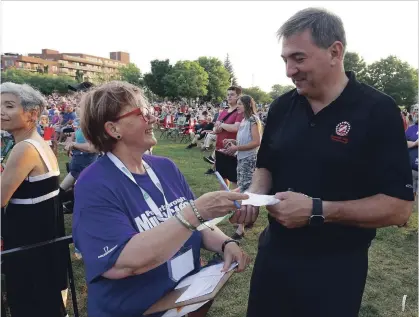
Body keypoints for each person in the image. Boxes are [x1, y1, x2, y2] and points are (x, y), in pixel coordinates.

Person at [230, 8, 414, 317]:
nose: (290, 70)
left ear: (335, 51)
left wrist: (318, 210)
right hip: (274, 256)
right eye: (285, 60)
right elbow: (266, 165)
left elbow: (399, 208)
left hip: (336, 268)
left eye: (299, 58)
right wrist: (253, 195)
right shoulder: (282, 107)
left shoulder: (377, 110)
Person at [73, 81, 250, 317]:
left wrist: (225, 243)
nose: (153, 118)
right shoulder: (94, 183)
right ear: (113, 129)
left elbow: (198, 224)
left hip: (183, 304)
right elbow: (124, 263)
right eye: (143, 113)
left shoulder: (165, 167)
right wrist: (194, 212)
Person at [1, 82, 68, 317]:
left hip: (28, 244)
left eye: (9, 106)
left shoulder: (25, 148)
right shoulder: (38, 143)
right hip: (42, 239)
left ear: (32, 113)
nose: (1, 111)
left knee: (30, 304)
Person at [223, 95, 262, 239]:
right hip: (242, 158)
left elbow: (256, 142)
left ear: (247, 105)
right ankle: (248, 219)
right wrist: (233, 140)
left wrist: (236, 147)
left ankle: (241, 227)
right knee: (244, 188)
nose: (237, 106)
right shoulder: (244, 120)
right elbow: (246, 139)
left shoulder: (253, 119)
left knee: (245, 191)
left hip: (249, 159)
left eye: (239, 104)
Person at [213, 86, 244, 189]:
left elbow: (236, 127)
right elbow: (215, 128)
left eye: (232, 95)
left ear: (238, 96)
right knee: (222, 178)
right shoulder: (224, 111)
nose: (229, 97)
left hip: (232, 149)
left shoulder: (239, 111)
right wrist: (216, 129)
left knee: (234, 179)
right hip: (219, 148)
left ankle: (234, 204)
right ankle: (223, 201)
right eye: (228, 94)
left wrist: (221, 126)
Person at [406, 107, 418, 198]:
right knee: (411, 194)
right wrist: (415, 143)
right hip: (412, 169)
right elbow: (403, 143)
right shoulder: (411, 129)